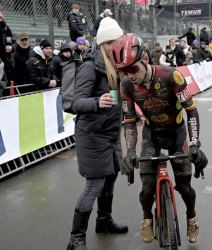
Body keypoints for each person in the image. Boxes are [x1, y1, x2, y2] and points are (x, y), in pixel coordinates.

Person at [110, 33, 208, 244]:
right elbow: (128, 121)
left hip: (177, 133)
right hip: (151, 134)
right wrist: (129, 153)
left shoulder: (171, 75)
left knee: (184, 187)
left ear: (145, 60)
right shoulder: (126, 85)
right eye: (122, 71)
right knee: (146, 187)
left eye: (132, 69)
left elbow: (191, 111)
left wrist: (194, 144)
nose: (129, 75)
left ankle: (191, 216)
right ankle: (147, 219)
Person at [66, 17, 128, 250]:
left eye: (119, 40)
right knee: (94, 185)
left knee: (110, 179)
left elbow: (117, 100)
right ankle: (76, 239)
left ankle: (104, 220)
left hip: (111, 133)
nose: (117, 44)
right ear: (103, 44)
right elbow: (76, 103)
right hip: (91, 135)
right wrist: (95, 101)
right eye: (112, 41)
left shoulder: (118, 66)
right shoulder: (90, 66)